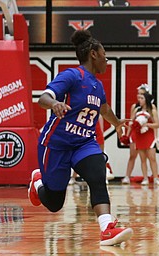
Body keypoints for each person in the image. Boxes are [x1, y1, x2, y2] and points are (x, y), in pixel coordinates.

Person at [27, 29, 133, 246]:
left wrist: (118, 123)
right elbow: (44, 97)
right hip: (56, 144)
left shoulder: (98, 85)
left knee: (97, 174)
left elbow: (104, 110)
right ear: (93, 54)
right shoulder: (72, 76)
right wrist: (54, 103)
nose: (106, 59)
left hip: (84, 143)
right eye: (104, 54)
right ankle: (38, 183)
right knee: (55, 203)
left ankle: (106, 228)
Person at [131, 92, 159, 185]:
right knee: (142, 159)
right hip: (139, 136)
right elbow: (131, 122)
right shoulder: (136, 110)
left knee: (152, 157)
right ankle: (145, 178)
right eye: (139, 98)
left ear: (146, 99)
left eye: (141, 98)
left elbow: (157, 124)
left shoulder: (152, 110)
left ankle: (156, 177)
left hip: (149, 136)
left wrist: (146, 124)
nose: (139, 100)